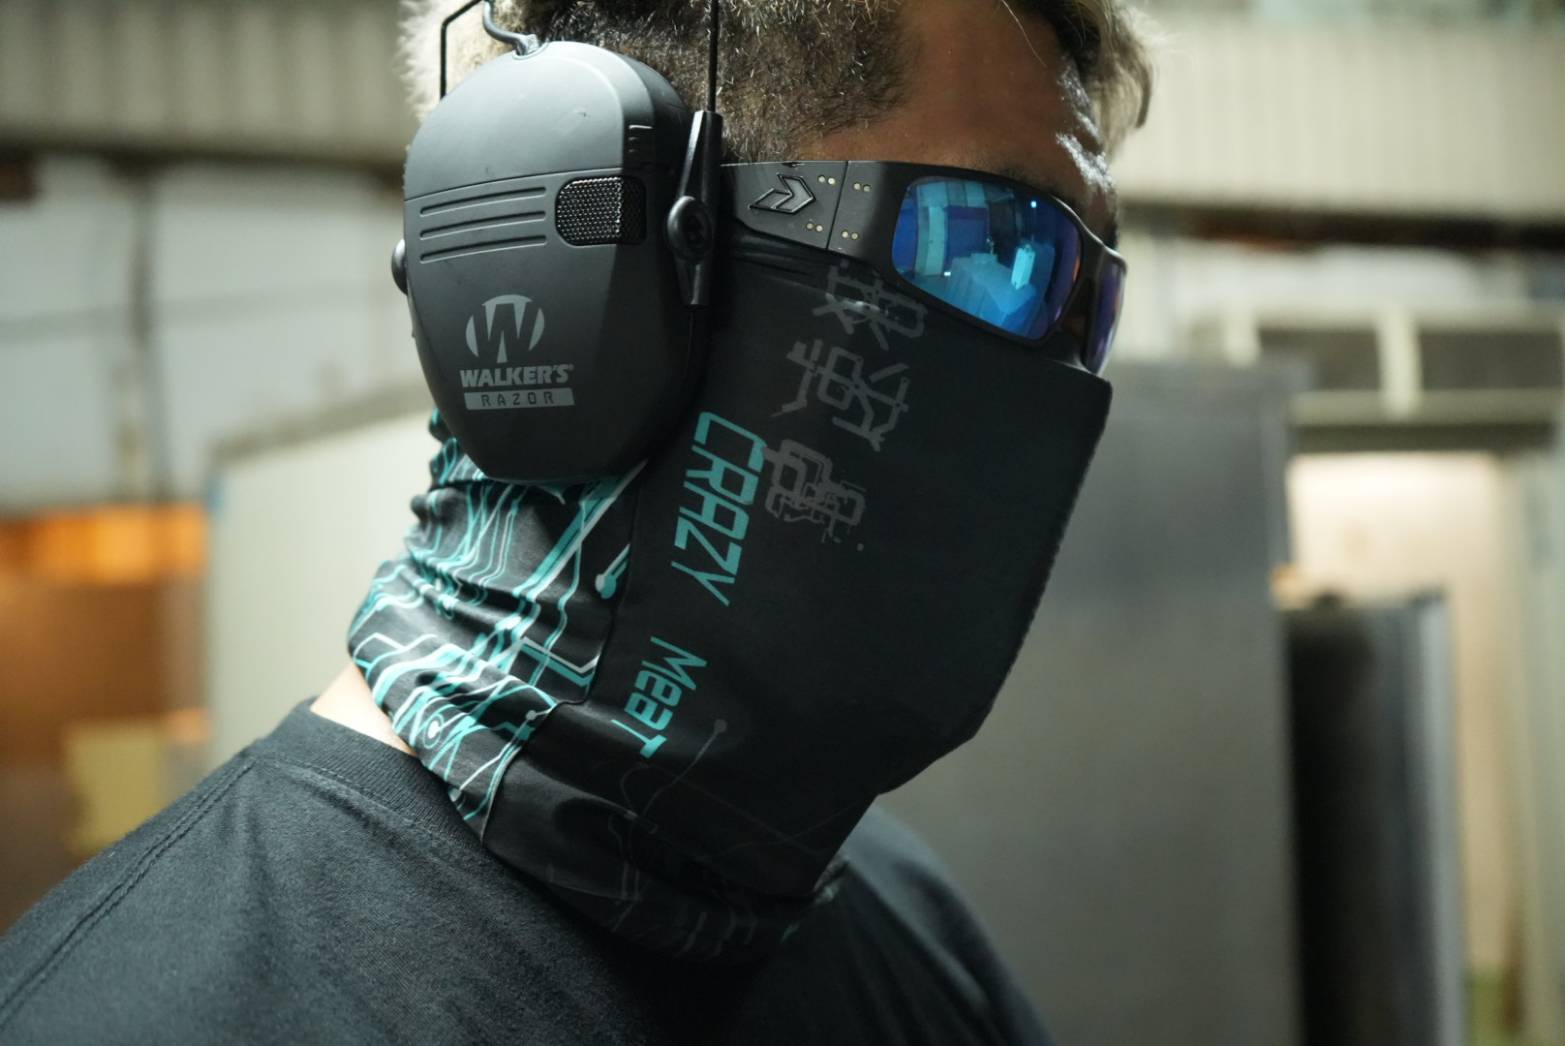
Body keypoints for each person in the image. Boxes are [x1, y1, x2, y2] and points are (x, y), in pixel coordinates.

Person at [0, 1, 1152, 1042]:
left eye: (1087, 299)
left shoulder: (904, 929)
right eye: (1000, 247)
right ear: (565, 267)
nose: (1057, 371)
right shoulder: (156, 1009)